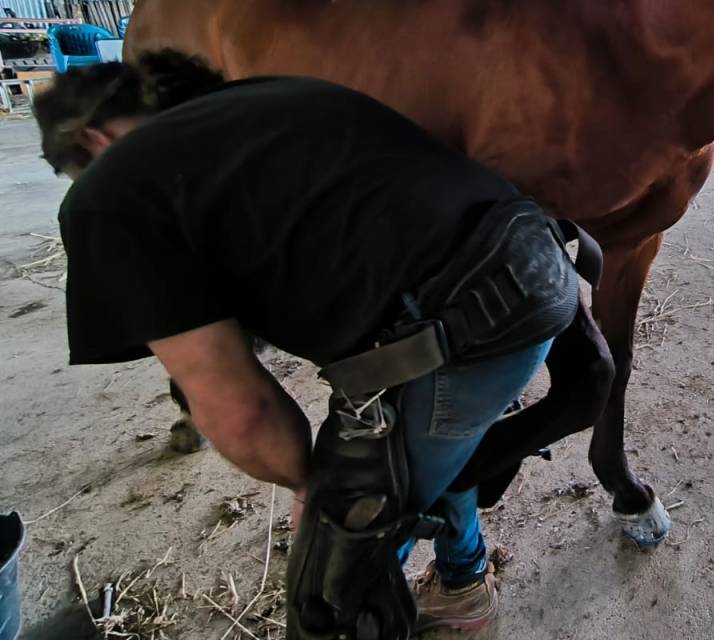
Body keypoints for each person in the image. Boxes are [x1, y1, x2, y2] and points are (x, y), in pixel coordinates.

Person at [33, 51, 597, 634]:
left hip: (461, 330)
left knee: (340, 564)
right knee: (426, 444)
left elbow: (241, 411)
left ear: (96, 142)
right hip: (539, 270)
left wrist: (318, 489)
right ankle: (463, 579)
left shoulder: (109, 191)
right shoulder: (267, 96)